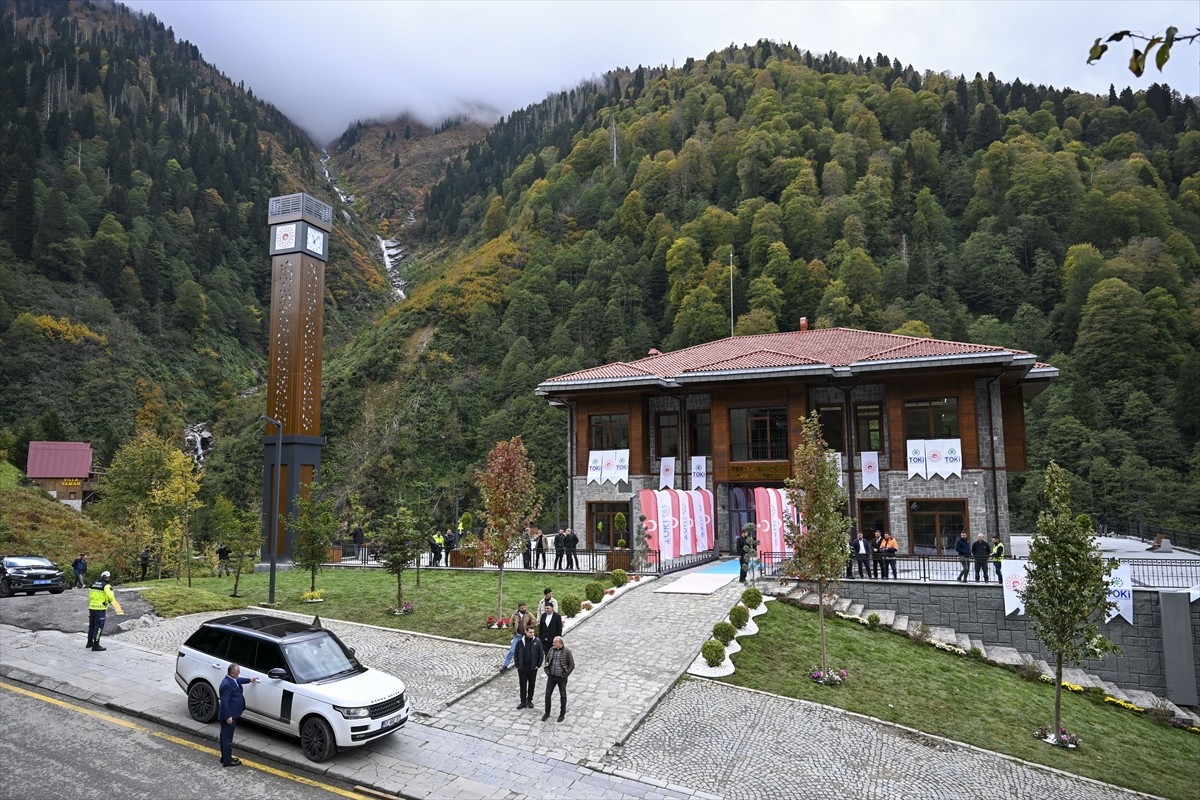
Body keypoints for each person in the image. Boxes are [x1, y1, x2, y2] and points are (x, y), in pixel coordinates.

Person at [218, 664, 259, 767]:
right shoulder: (227, 684)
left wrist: (249, 680)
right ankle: (228, 761)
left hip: (232, 714)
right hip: (229, 715)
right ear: (232, 673)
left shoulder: (232, 679)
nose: (239, 673)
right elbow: (224, 702)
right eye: (238, 672)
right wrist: (228, 716)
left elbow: (238, 680)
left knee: (224, 736)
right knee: (227, 739)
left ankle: (225, 757)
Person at [86, 570, 122, 651]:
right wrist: (107, 602)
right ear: (107, 578)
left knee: (91, 626)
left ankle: (89, 643)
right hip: (100, 608)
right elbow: (111, 597)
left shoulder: (93, 584)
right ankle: (96, 645)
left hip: (91, 607)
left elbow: (90, 595)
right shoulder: (106, 586)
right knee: (98, 627)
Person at [542, 635, 574, 722]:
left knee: (563, 695)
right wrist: (547, 670)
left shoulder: (567, 651)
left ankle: (562, 714)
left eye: (555, 642)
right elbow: (547, 660)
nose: (553, 644)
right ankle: (547, 712)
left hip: (561, 677)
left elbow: (572, 664)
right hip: (551, 676)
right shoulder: (551, 650)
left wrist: (565, 674)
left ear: (560, 643)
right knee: (547, 695)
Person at [514, 625, 544, 709]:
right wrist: (517, 664)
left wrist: (538, 665)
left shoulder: (537, 641)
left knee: (532, 684)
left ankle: (530, 700)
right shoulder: (520, 641)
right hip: (522, 668)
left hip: (532, 668)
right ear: (526, 632)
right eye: (530, 632)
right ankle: (523, 701)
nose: (532, 634)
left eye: (533, 632)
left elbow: (541, 654)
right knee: (522, 685)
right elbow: (516, 653)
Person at [500, 601, 536, 671]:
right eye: (522, 608)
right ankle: (505, 665)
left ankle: (528, 664)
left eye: (524, 607)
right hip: (517, 636)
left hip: (525, 636)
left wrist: (530, 628)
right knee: (512, 650)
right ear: (519, 608)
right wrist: (512, 630)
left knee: (527, 650)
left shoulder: (528, 614)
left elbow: (534, 621)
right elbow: (510, 623)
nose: (523, 609)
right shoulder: (515, 614)